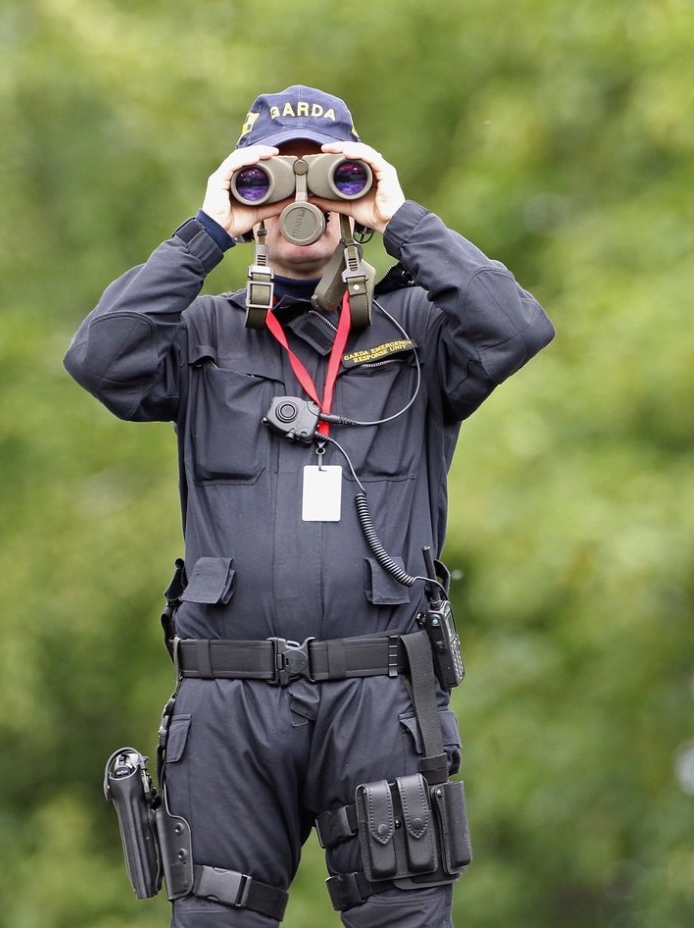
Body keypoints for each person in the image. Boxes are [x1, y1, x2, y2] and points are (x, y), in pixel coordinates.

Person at [64, 84, 554, 927]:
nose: (300, 201)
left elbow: (516, 328)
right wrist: (205, 228)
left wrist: (398, 214)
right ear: (247, 208)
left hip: (380, 695)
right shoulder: (203, 335)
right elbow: (99, 358)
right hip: (229, 705)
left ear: (357, 197)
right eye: (269, 181)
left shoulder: (420, 334)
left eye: (327, 175)